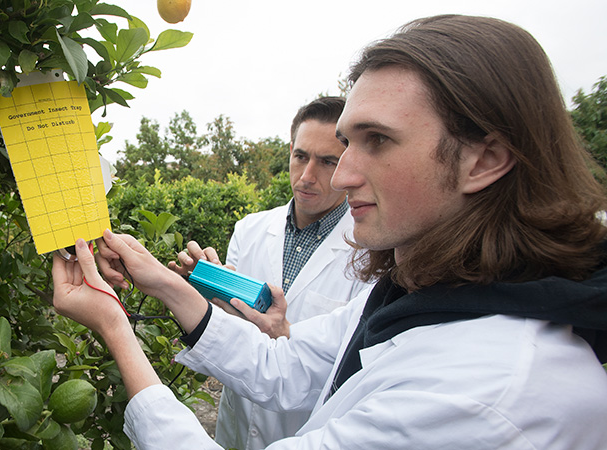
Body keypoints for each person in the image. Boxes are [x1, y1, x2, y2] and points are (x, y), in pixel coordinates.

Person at [52, 14, 607, 449]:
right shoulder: (426, 294)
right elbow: (283, 365)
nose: (340, 176)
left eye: (378, 140)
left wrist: (113, 325)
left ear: (484, 160)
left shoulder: (484, 394)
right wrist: (162, 281)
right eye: (345, 141)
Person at [168, 96, 373, 448]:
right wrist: (207, 289)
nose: (307, 176)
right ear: (290, 150)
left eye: (327, 162)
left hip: (306, 431)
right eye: (301, 157)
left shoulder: (370, 254)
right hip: (237, 422)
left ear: (348, 164)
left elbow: (348, 364)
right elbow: (229, 328)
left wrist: (285, 333)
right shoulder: (250, 229)